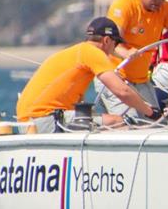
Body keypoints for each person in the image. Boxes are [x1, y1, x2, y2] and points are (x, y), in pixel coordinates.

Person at [16, 18, 160, 133]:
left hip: (26, 122)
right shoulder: (93, 53)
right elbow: (122, 91)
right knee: (117, 122)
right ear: (107, 41)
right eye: (115, 44)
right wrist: (150, 112)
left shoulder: (74, 51)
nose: (114, 50)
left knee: (95, 120)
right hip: (42, 121)